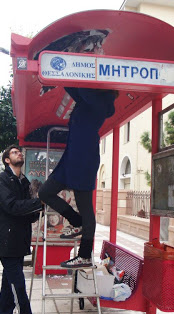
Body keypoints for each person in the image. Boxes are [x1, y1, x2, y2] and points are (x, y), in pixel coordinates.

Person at [39, 87, 118, 268]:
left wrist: (61, 73)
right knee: (45, 192)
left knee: (86, 208)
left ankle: (84, 256)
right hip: (71, 156)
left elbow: (78, 89)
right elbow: (76, 89)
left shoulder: (100, 101)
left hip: (84, 157)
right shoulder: (90, 99)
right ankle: (77, 222)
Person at [0, 145, 43, 314]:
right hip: (6, 241)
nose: (19, 153)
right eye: (14, 152)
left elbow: (27, 213)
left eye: (19, 152)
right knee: (18, 286)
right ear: (6, 160)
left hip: (19, 241)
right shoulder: (1, 180)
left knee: (8, 284)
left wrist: (39, 207)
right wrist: (38, 203)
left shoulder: (24, 182)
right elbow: (11, 206)